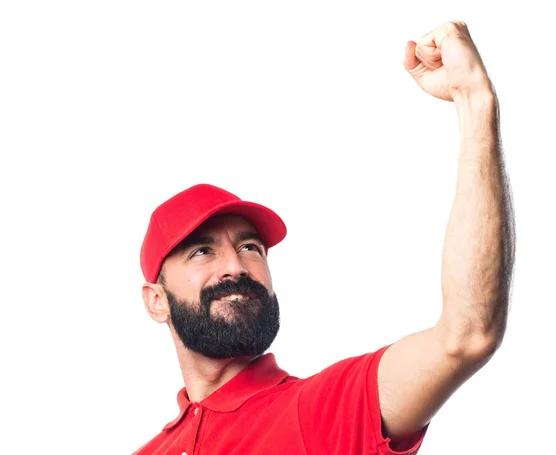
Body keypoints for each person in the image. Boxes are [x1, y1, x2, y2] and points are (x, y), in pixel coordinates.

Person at [132, 20, 515, 455]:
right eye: (202, 251)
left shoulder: (320, 411)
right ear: (156, 300)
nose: (235, 266)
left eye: (249, 247)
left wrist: (475, 101)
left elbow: (466, 336)